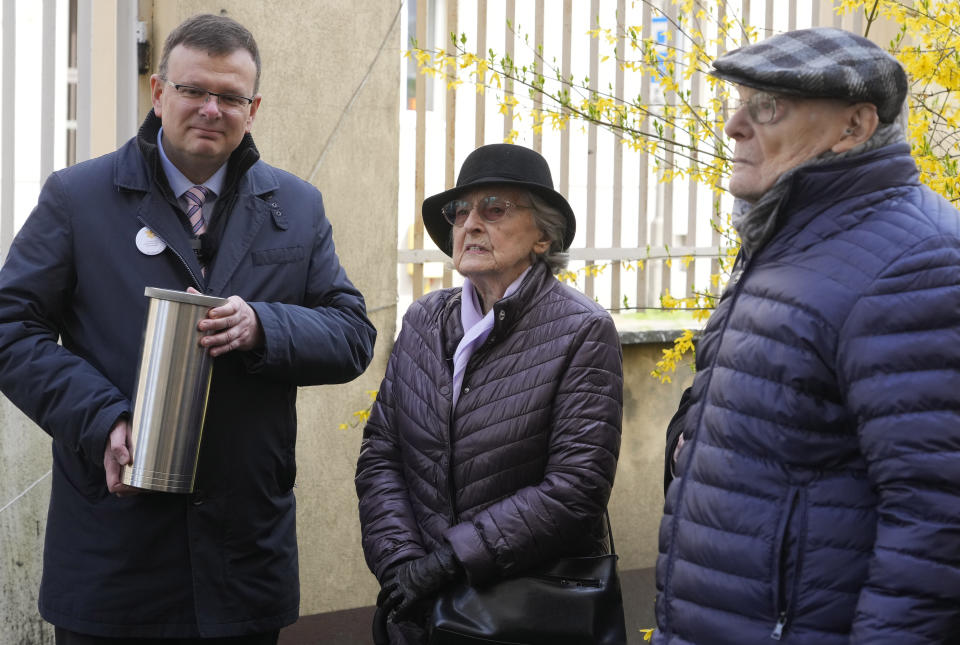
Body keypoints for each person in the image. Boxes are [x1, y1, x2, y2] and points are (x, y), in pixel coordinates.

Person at [0, 14, 376, 644]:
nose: (211, 108)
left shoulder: (296, 207)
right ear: (158, 92)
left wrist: (265, 327)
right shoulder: (77, 197)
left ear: (252, 108)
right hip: (114, 551)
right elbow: (10, 327)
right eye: (193, 90)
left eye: (230, 96)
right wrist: (102, 420)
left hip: (243, 553)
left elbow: (352, 334)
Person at [655, 27, 960, 644]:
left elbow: (937, 520)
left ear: (853, 127)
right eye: (738, 102)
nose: (735, 125)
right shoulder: (793, 238)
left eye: (767, 107)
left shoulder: (918, 264)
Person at [355, 143, 623, 644]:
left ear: (543, 235)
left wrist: (452, 561)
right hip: (417, 613)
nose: (470, 223)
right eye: (461, 212)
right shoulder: (423, 320)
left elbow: (576, 486)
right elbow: (381, 455)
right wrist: (401, 565)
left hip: (524, 615)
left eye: (494, 208)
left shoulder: (581, 330)